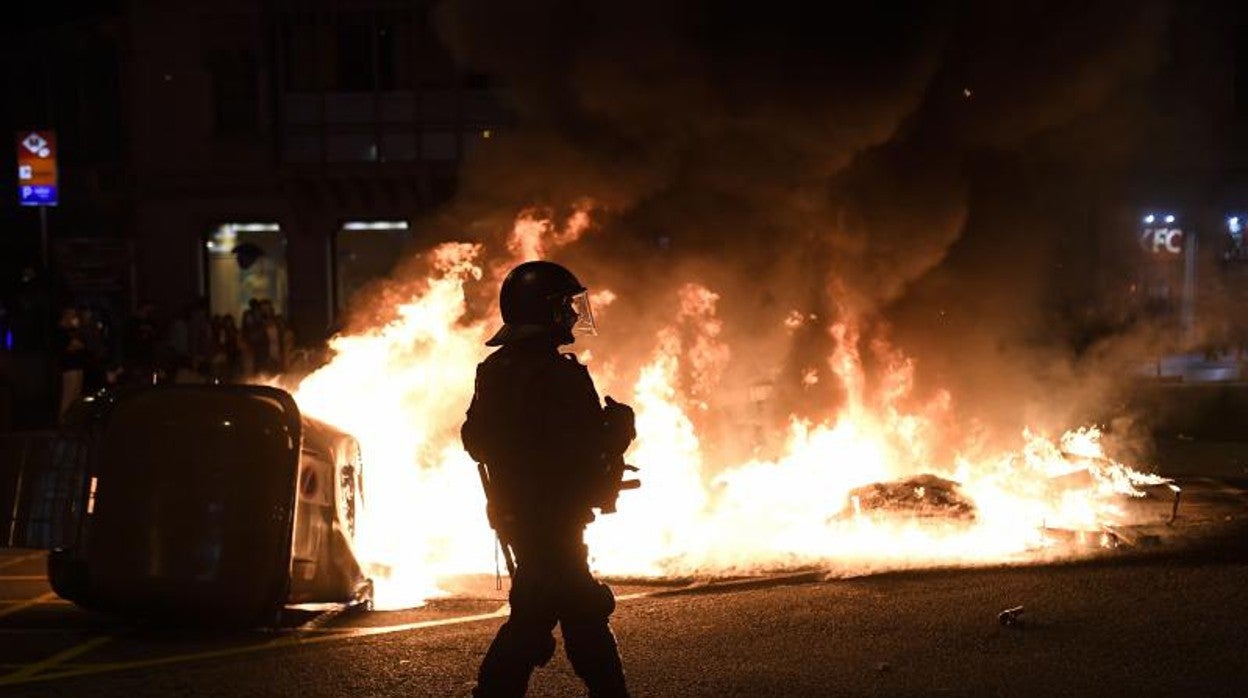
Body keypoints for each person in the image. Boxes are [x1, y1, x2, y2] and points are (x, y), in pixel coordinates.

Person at [461, 261, 635, 697]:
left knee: (558, 613)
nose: (574, 315)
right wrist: (618, 430)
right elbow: (582, 449)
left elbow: (475, 440)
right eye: (564, 306)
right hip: (554, 517)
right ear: (544, 312)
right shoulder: (561, 375)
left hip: (519, 517)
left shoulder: (495, 370)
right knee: (563, 616)